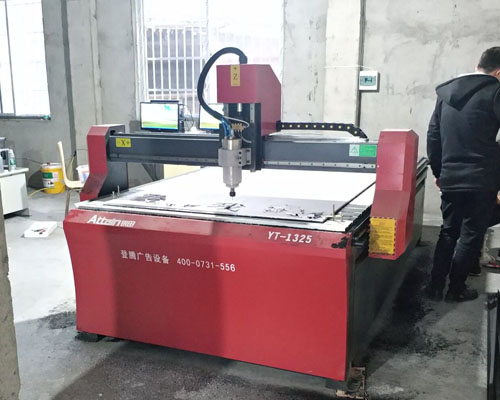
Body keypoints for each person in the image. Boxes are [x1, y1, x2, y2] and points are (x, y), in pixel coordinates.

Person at [426, 47, 500, 302]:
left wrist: (439, 172)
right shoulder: (495, 91)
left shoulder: (446, 93)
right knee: (470, 235)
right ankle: (455, 290)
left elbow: (433, 135)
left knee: (448, 231)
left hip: (451, 176)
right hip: (481, 179)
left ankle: (435, 286)